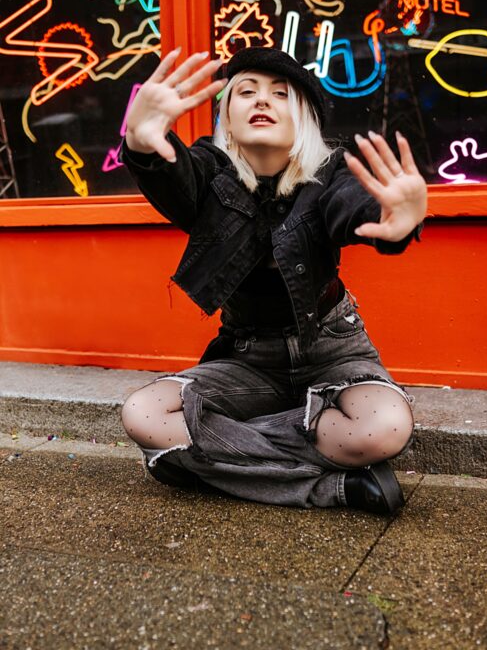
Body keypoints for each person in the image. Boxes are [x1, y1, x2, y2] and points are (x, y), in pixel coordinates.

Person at [118, 45, 427, 516]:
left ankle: (198, 458)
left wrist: (395, 218)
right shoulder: (211, 171)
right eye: (246, 91)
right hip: (247, 361)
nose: (262, 100)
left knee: (383, 427)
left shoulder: (330, 173)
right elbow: (176, 179)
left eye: (280, 94)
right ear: (228, 114)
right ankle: (334, 489)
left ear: (302, 116)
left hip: (332, 352)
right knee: (142, 414)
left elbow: (352, 205)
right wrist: (142, 144)